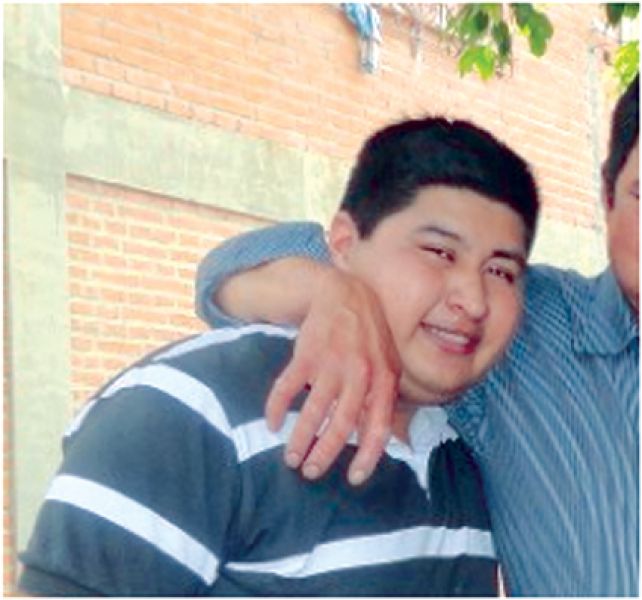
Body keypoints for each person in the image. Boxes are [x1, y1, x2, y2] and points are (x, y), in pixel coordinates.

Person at [18, 116, 542, 596]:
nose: (474, 300)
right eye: (439, 252)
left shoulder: (471, 447)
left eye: (501, 271)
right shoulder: (194, 409)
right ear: (343, 244)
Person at [194, 76, 639, 596]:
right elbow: (227, 274)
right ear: (607, 194)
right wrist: (333, 293)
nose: (473, 296)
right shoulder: (524, 331)